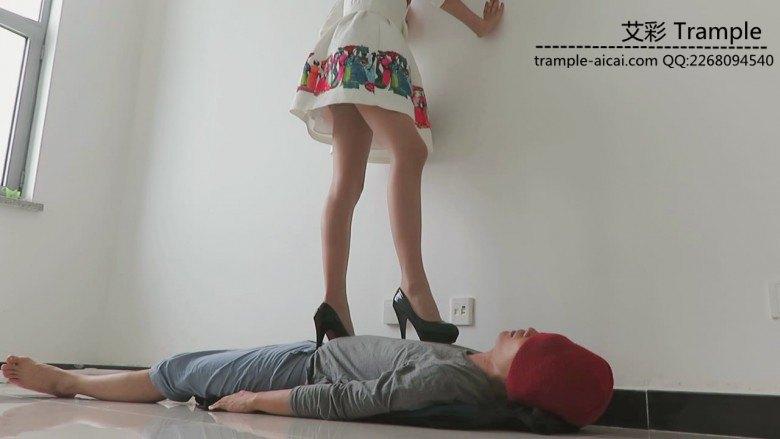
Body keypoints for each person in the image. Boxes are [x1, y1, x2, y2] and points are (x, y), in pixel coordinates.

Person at [290, 0, 506, 345]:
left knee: (346, 183)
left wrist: (399, 17)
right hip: (366, 42)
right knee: (409, 151)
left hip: (344, 46)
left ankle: (333, 302)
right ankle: (413, 286)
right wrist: (478, 25)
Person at [1, 329, 614, 429]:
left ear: (525, 372)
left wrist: (259, 402)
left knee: (180, 372)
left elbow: (354, 399)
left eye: (532, 342)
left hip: (300, 369)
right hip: (312, 353)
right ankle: (81, 378)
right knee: (192, 368)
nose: (525, 329)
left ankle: (69, 383)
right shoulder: (475, 370)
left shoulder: (449, 379)